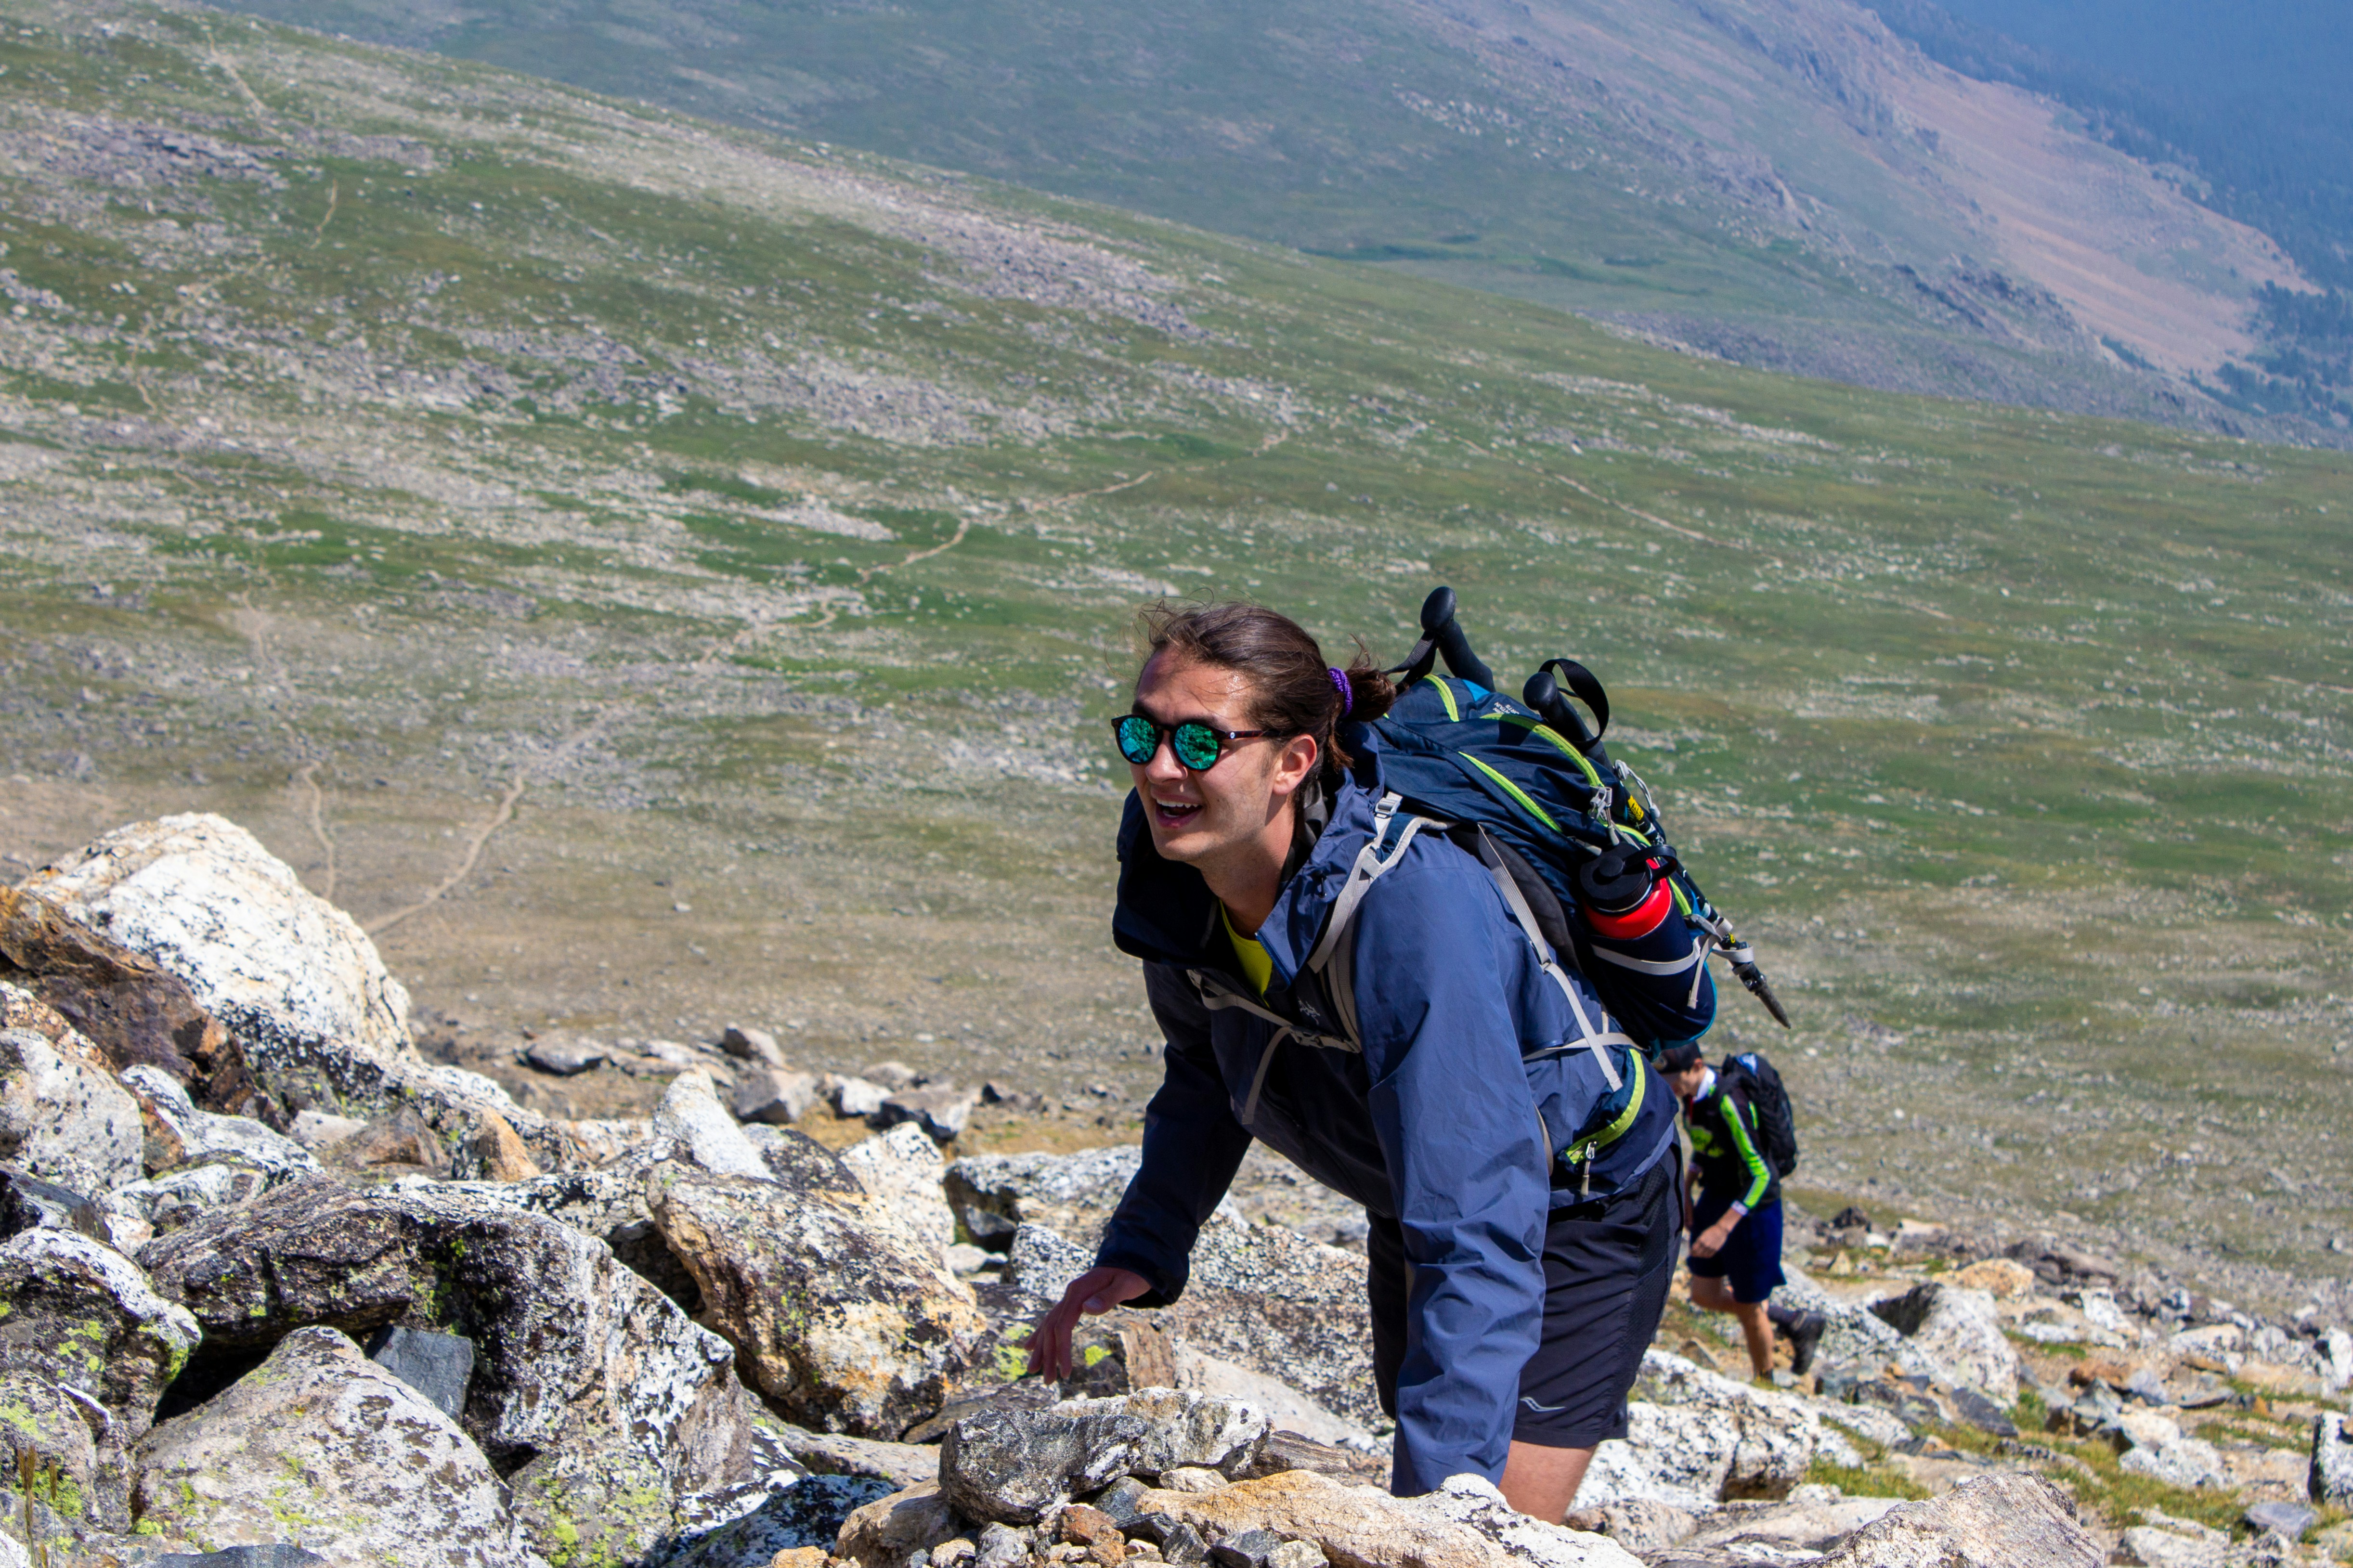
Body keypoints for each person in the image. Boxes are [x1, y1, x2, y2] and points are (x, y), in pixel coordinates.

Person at [1027, 602, 1717, 1519]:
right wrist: (1145, 1246)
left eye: (1200, 744)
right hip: (1414, 1189)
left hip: (1580, 1206)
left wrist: (1436, 1517)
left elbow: (1477, 1217)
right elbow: (1204, 1070)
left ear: (1293, 761)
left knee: (1475, 1518)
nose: (1159, 769)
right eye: (1140, 734)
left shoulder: (1411, 909)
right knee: (1429, 1459)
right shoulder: (1177, 871)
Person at [1659, 1043, 1825, 1379]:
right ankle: (1789, 1319)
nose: (1669, 1085)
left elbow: (1761, 1172)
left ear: (1696, 1067)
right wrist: (1688, 1189)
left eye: (1673, 1077)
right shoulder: (1692, 1098)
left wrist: (1723, 1227)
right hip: (1716, 1196)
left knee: (1750, 1307)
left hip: (1752, 1211)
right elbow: (1706, 1147)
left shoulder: (1728, 1101)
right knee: (1703, 1293)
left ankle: (1764, 1380)